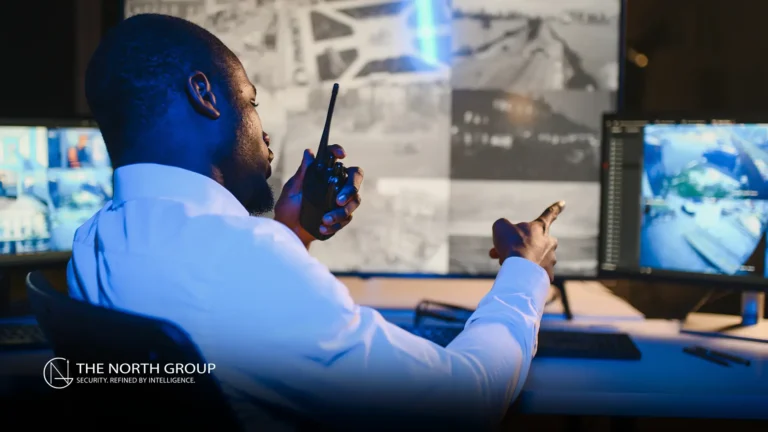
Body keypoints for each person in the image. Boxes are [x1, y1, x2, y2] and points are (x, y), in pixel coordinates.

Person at [68, 13, 563, 431]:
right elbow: (463, 404)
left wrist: (293, 234)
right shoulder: (244, 261)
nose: (265, 135)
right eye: (251, 102)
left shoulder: (94, 241)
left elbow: (221, 328)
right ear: (205, 95)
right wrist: (525, 271)